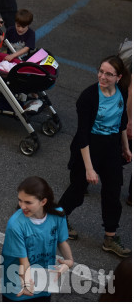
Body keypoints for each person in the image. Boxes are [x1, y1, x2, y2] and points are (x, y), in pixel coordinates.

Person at [59, 55, 132, 258]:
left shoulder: (121, 93)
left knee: (112, 192)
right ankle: (57, 219)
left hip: (111, 149)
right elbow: (82, 134)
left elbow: (121, 123)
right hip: (88, 148)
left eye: (109, 74)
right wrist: (89, 168)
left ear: (119, 77)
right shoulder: (88, 97)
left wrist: (125, 149)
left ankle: (110, 237)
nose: (102, 76)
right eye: (101, 71)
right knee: (77, 190)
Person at [1, 176, 74, 301]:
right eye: (20, 201)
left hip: (44, 282)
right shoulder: (15, 225)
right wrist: (26, 285)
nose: (22, 206)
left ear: (43, 202)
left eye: (28, 202)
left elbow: (61, 241)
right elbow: (24, 263)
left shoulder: (58, 214)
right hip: (19, 287)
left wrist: (69, 261)